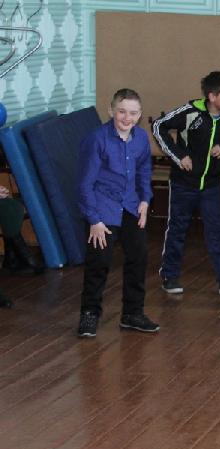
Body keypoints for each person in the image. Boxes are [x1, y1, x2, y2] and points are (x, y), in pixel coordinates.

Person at [76, 88, 158, 338]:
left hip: (131, 205)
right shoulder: (97, 140)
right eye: (122, 111)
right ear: (111, 111)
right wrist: (94, 220)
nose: (127, 118)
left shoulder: (142, 139)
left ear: (140, 114)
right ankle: (89, 314)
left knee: (138, 256)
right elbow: (84, 184)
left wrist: (145, 199)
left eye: (133, 113)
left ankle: (132, 314)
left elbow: (144, 170)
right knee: (99, 262)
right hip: (102, 209)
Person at [153, 71, 220, 296]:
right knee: (177, 229)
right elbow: (159, 126)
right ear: (212, 96)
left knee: (216, 231)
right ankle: (170, 277)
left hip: (211, 186)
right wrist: (179, 156)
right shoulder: (190, 112)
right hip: (183, 184)